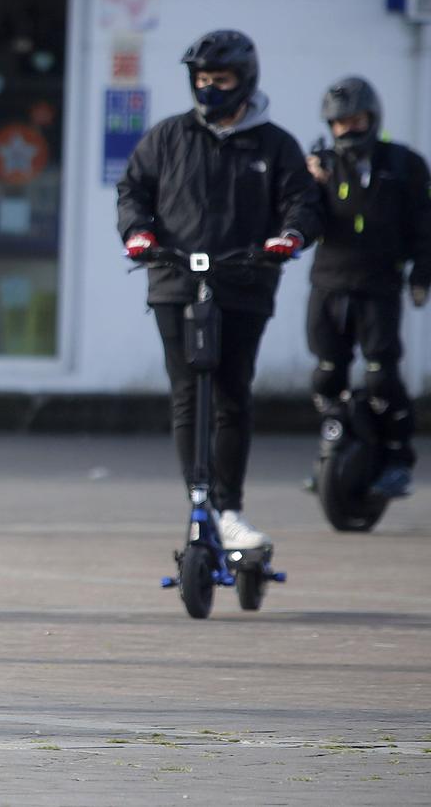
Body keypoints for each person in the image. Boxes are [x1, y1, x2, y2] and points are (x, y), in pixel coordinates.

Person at [117, 29, 321, 550]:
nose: (208, 90)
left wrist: (289, 237)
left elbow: (301, 201)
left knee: (232, 395)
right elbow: (133, 189)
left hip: (244, 282)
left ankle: (229, 510)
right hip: (174, 281)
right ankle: (200, 505)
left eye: (220, 80)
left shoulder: (275, 145)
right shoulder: (168, 137)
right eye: (201, 81)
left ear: (245, 82)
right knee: (188, 397)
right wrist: (138, 233)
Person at [303, 76, 430, 498]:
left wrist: (421, 275)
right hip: (329, 283)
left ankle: (396, 457)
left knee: (380, 376)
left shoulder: (404, 164)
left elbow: (425, 226)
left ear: (372, 119)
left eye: (356, 120)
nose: (348, 130)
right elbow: (298, 217)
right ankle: (334, 449)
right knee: (326, 376)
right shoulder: (319, 165)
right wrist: (309, 185)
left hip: (378, 284)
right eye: (340, 123)